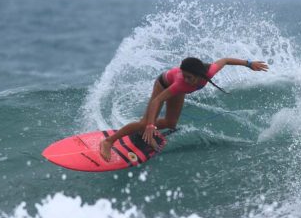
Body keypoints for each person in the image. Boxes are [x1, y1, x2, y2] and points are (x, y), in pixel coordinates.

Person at [99, 57, 268, 161]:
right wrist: (150, 125)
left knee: (170, 123)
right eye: (184, 76)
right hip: (163, 84)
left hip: (177, 90)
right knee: (145, 123)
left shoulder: (208, 72)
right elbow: (157, 100)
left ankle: (144, 132)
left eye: (190, 77)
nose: (187, 79)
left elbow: (224, 60)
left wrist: (249, 63)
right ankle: (109, 141)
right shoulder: (181, 83)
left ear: (200, 74)